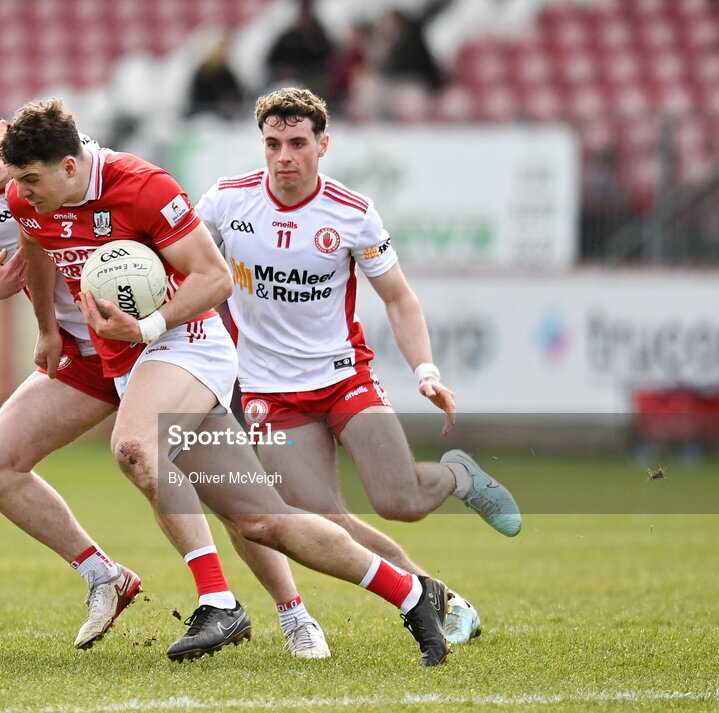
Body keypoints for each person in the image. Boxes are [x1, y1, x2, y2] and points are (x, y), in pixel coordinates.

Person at [0, 96, 454, 666]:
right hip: (131, 361)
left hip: (185, 343)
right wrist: (47, 327)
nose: (21, 190)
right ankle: (412, 595)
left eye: (31, 178)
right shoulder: (27, 195)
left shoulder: (143, 187)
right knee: (264, 520)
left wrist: (149, 325)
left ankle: (218, 601)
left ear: (70, 167)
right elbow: (34, 241)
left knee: (136, 446)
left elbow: (215, 279)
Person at [0, 84, 331, 659]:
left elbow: (142, 222)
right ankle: (103, 575)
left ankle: (294, 615)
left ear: (2, 126)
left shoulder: (68, 167)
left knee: (231, 495)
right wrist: (16, 311)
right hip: (89, 359)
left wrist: (151, 321)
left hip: (160, 343)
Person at [195, 86, 524, 645]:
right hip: (268, 394)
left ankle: (457, 475)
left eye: (298, 143)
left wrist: (426, 370)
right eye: (273, 144)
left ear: (324, 145)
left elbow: (399, 298)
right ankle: (433, 596)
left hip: (344, 378)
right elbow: (185, 260)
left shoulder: (351, 213)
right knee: (319, 521)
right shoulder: (227, 202)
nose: (284, 157)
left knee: (399, 502)